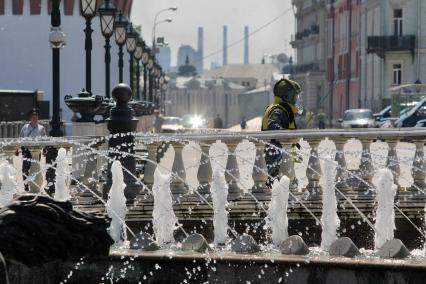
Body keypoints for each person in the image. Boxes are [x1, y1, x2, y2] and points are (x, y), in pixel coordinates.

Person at [261, 78, 302, 188]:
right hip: (275, 155)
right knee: (276, 185)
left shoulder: (283, 109)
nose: (297, 99)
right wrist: (287, 135)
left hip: (280, 154)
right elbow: (272, 125)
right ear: (287, 96)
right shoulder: (278, 110)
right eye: (295, 96)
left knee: (282, 184)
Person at [19, 108, 46, 191]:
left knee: (35, 166)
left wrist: (44, 148)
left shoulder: (41, 128)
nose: (35, 118)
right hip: (26, 150)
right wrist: (18, 148)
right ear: (30, 117)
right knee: (25, 168)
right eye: (33, 116)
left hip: (36, 151)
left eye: (36, 116)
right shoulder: (25, 127)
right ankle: (26, 185)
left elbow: (45, 139)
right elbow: (20, 138)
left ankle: (35, 184)